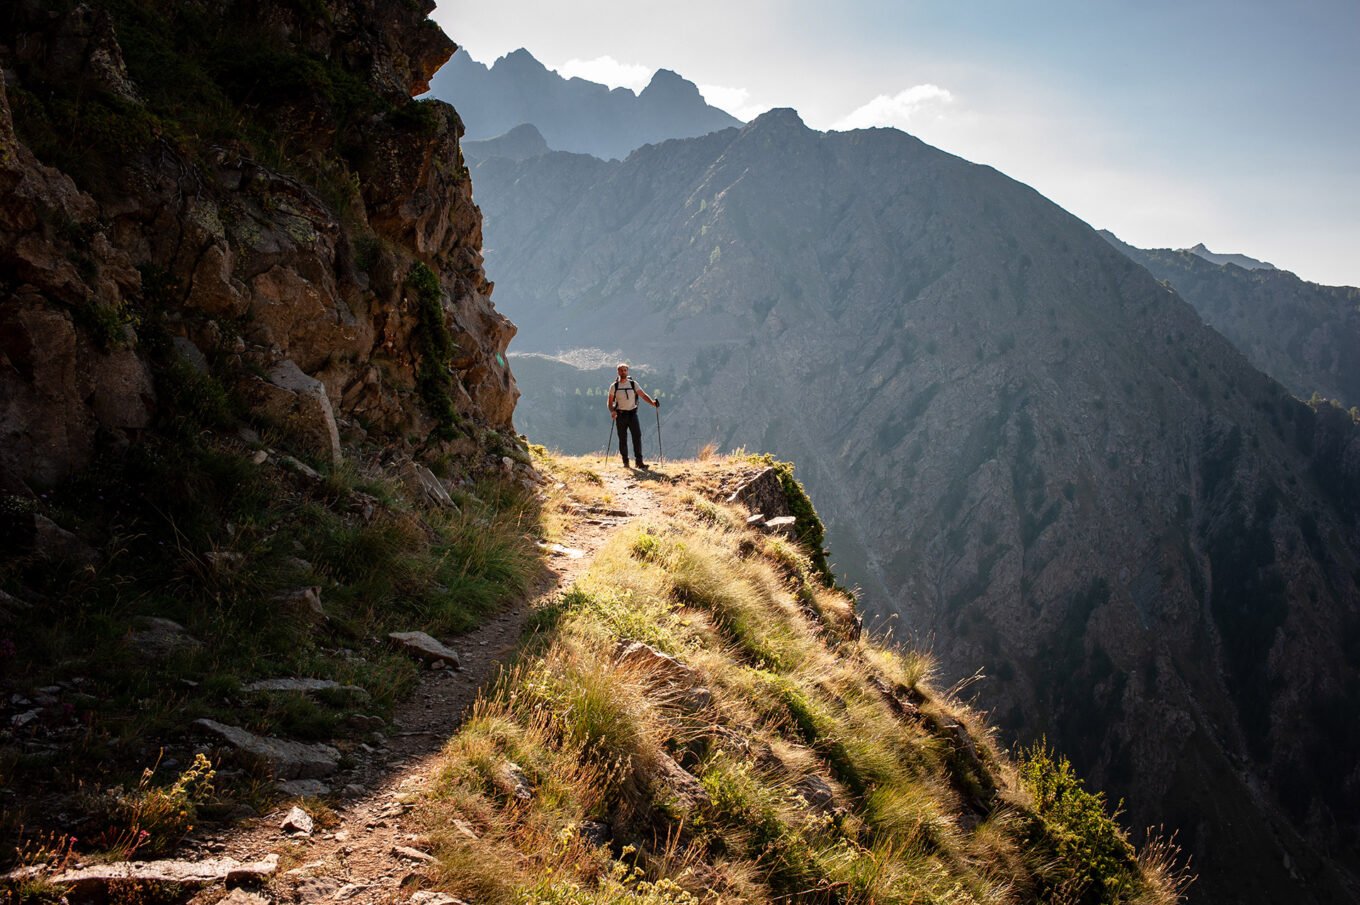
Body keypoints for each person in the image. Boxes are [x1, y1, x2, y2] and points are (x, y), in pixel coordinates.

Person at [607, 363, 659, 469]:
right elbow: (609, 402)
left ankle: (639, 462)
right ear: (618, 372)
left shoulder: (633, 384)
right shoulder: (614, 386)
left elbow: (643, 395)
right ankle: (625, 462)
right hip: (620, 415)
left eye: (625, 370)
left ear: (627, 371)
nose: (623, 372)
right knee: (623, 439)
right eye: (621, 370)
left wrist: (653, 403)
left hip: (632, 414)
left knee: (637, 437)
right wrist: (612, 411)